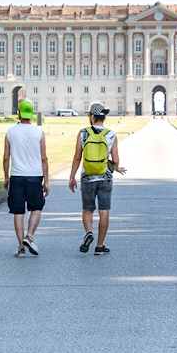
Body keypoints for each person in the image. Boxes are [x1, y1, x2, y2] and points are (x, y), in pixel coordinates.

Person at [69, 103, 126, 255]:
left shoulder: (83, 133)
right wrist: (116, 167)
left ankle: (88, 232)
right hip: (105, 177)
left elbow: (77, 157)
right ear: (103, 117)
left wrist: (72, 177)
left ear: (92, 116)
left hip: (87, 176)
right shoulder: (111, 134)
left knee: (87, 209)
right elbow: (115, 159)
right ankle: (99, 246)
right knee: (104, 211)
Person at [3, 100, 49, 257]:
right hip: (35, 175)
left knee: (18, 211)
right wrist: (47, 181)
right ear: (32, 115)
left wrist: (5, 177)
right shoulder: (38, 132)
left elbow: (5, 158)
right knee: (36, 207)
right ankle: (29, 235)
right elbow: (44, 158)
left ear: (19, 114)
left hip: (16, 175)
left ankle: (21, 247)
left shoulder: (10, 131)